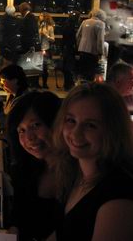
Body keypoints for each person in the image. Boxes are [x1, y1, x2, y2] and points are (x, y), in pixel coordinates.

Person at [52, 83, 133, 240]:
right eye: (71, 121)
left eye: (90, 125)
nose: (76, 133)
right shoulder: (74, 173)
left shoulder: (119, 200)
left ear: (113, 131)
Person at [6, 91, 62, 241]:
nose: (29, 138)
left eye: (36, 125)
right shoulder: (25, 169)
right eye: (21, 130)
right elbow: (18, 218)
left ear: (57, 123)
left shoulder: (82, 174)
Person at [0, 64, 29, 131]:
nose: (1, 86)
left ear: (15, 80)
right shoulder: (12, 96)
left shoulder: (23, 100)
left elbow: (5, 125)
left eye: (4, 81)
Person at [76, 8, 106, 82]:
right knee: (91, 73)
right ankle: (88, 90)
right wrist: (100, 52)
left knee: (83, 72)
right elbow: (100, 40)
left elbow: (78, 35)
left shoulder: (84, 22)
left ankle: (82, 88)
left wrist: (79, 46)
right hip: (93, 51)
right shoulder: (101, 24)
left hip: (82, 50)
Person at [62, 11, 81, 91]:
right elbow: (75, 39)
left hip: (66, 49)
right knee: (71, 68)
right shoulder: (74, 26)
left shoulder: (66, 24)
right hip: (71, 49)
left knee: (66, 68)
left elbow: (64, 37)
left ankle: (66, 85)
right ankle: (70, 85)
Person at [38, 12, 55, 89]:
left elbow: (53, 39)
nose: (39, 17)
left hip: (46, 48)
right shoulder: (38, 26)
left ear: (45, 17)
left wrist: (46, 35)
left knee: (45, 67)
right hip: (38, 49)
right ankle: (37, 83)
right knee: (37, 67)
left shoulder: (50, 27)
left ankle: (44, 83)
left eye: (41, 15)